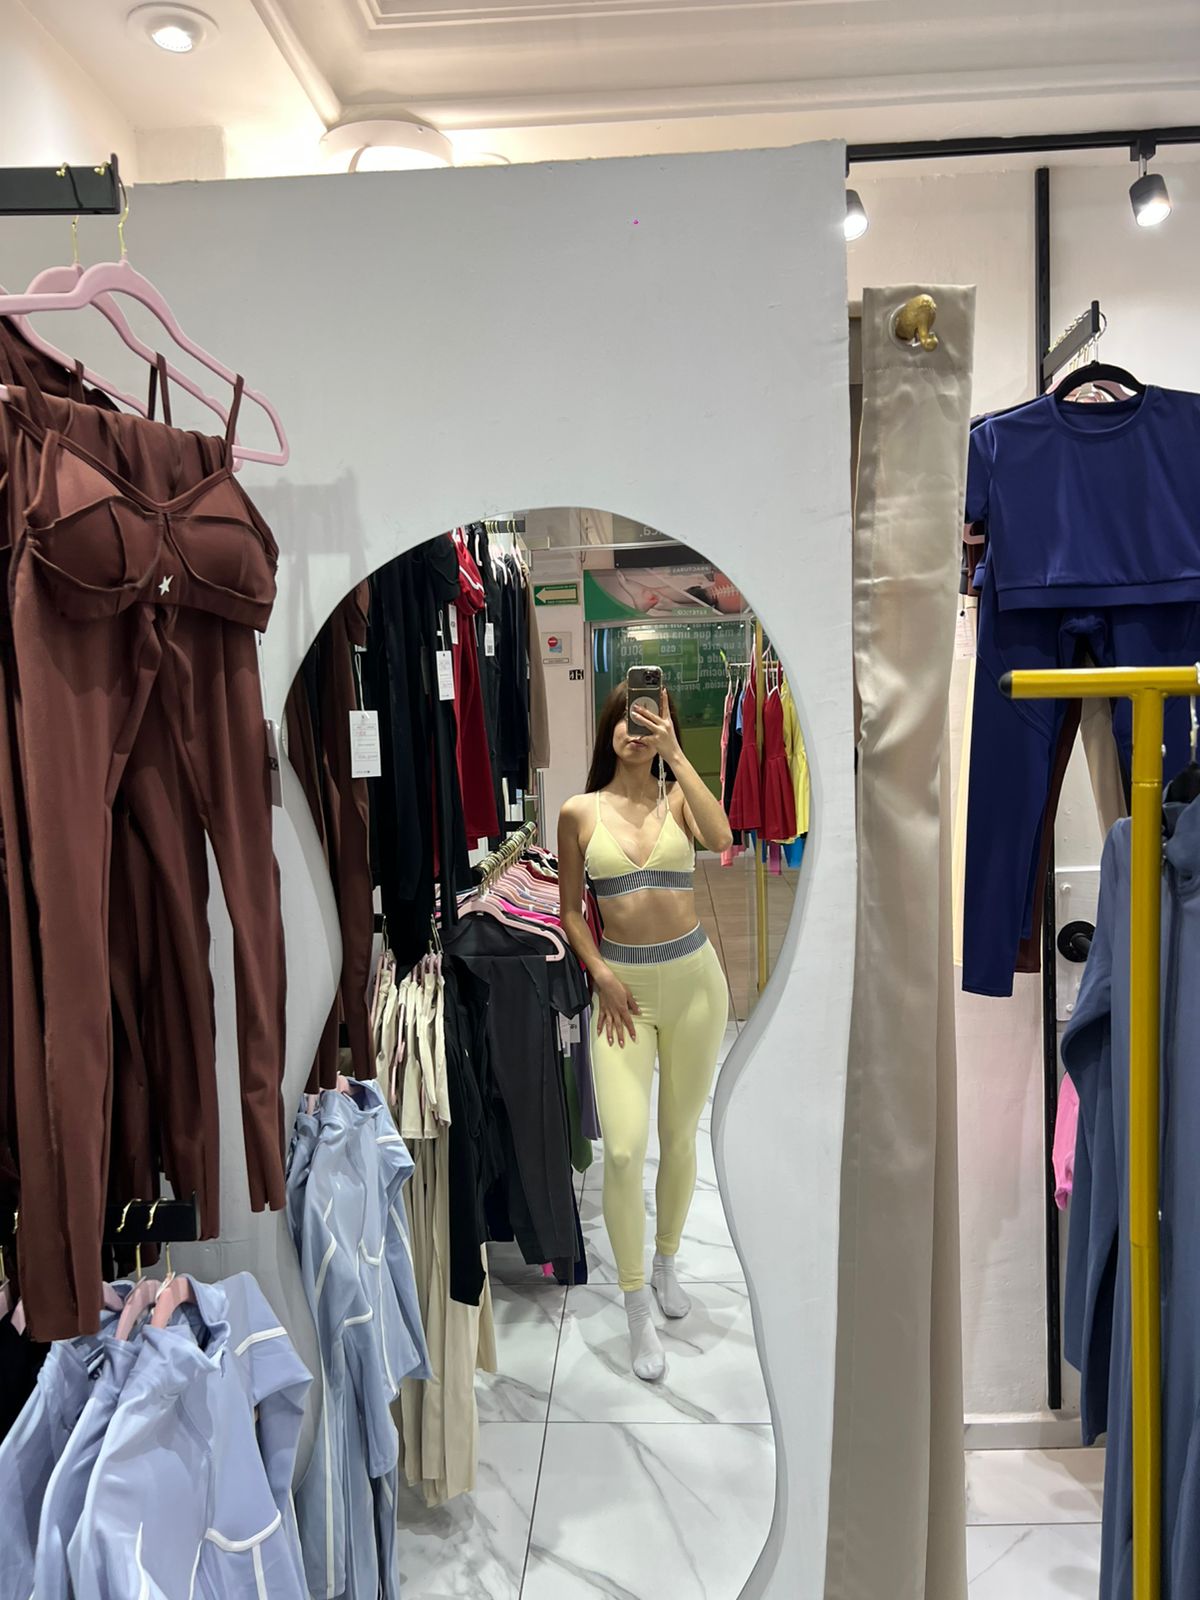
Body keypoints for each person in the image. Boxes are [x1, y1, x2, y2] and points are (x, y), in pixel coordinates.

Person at [557, 681, 734, 1381]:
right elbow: (571, 912)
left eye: (650, 720)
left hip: (694, 986)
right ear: (607, 729)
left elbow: (723, 839)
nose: (636, 731)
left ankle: (666, 1263)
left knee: (680, 1137)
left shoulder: (679, 800)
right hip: (621, 995)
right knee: (626, 1151)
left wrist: (677, 757)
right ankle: (635, 1303)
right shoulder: (579, 812)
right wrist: (600, 973)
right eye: (626, 720)